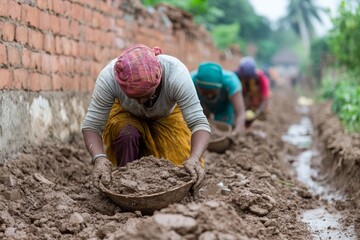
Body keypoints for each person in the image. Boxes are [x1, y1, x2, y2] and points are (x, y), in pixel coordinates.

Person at [81, 44, 210, 196]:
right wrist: (99, 158)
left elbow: (199, 123)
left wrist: (194, 159)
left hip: (167, 115)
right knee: (127, 136)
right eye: (135, 97)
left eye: (146, 95)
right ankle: (124, 183)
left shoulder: (176, 74)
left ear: (159, 79)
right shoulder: (109, 77)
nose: (141, 102)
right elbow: (92, 125)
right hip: (126, 114)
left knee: (181, 171)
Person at [191, 62, 246, 134]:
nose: (209, 95)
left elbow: (240, 113)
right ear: (198, 86)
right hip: (201, 104)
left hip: (224, 107)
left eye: (212, 92)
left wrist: (236, 132)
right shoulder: (190, 80)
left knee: (223, 128)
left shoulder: (231, 82)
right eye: (205, 92)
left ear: (220, 86)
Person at [234, 56, 270, 124]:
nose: (247, 79)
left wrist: (257, 113)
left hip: (256, 103)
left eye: (249, 77)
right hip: (243, 102)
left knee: (262, 116)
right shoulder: (236, 76)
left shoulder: (261, 78)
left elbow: (265, 99)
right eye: (245, 77)